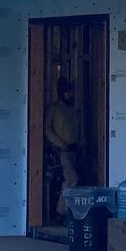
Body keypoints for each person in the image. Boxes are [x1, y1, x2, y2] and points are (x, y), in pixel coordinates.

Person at [45, 78, 83, 212]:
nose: (71, 95)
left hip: (74, 150)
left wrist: (80, 143)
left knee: (75, 180)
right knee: (71, 179)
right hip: (61, 151)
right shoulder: (54, 109)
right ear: (62, 93)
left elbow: (79, 128)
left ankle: (68, 210)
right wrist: (60, 144)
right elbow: (47, 129)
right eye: (69, 93)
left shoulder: (73, 111)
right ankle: (62, 211)